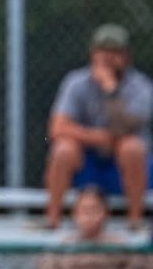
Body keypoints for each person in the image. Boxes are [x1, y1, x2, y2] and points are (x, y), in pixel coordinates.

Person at [43, 23, 152, 231]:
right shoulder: (76, 82)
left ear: (126, 56)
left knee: (132, 148)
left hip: (125, 165)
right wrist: (96, 137)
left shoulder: (141, 87)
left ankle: (135, 220)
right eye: (103, 52)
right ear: (93, 54)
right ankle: (52, 219)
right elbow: (57, 129)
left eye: (115, 52)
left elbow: (125, 128)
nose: (108, 59)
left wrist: (110, 90)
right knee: (63, 149)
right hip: (87, 161)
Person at [40, 184, 149, 269]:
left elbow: (141, 264)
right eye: (84, 210)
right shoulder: (65, 245)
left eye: (94, 210)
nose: (89, 217)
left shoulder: (118, 244)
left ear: (106, 214)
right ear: (75, 214)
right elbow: (46, 261)